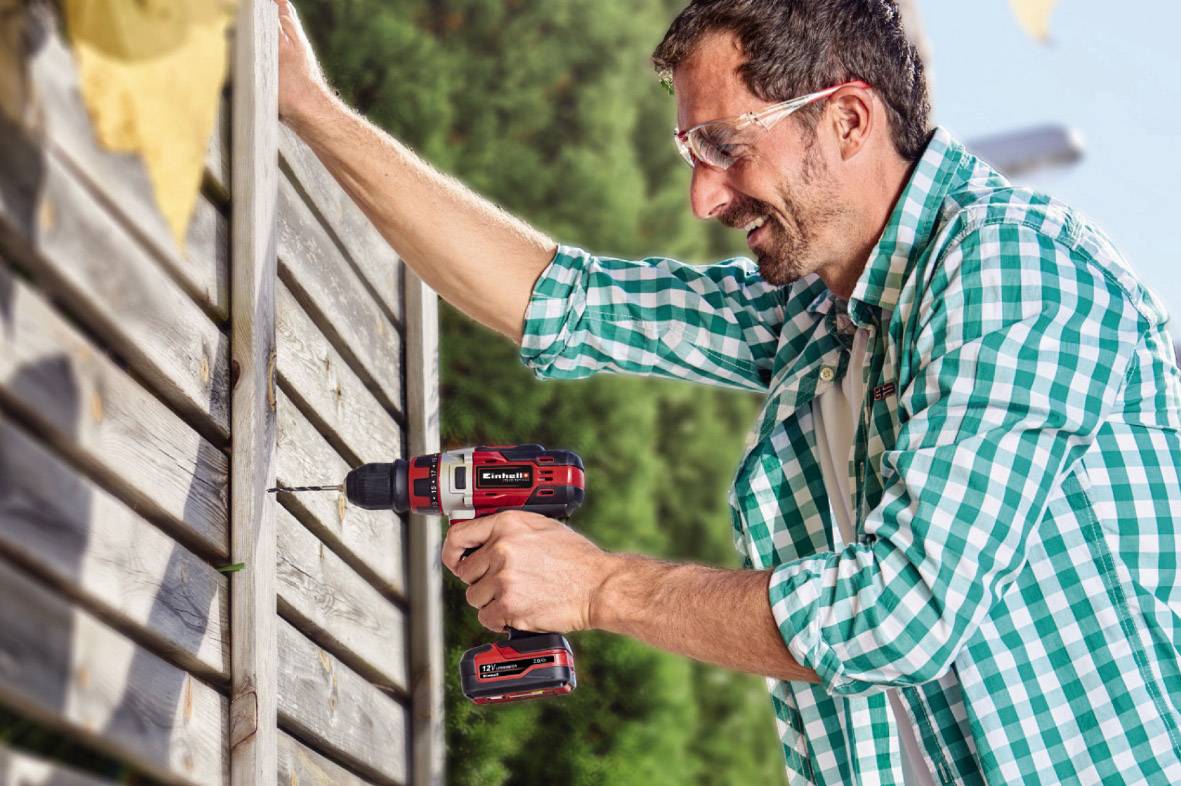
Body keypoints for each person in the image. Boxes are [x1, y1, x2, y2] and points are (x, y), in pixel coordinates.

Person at [274, 0, 1181, 783]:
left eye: (723, 145)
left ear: (849, 121)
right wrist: (309, 107)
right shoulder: (821, 313)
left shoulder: (1013, 270)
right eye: (690, 149)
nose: (702, 196)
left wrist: (600, 589)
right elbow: (561, 303)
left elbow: (906, 609)